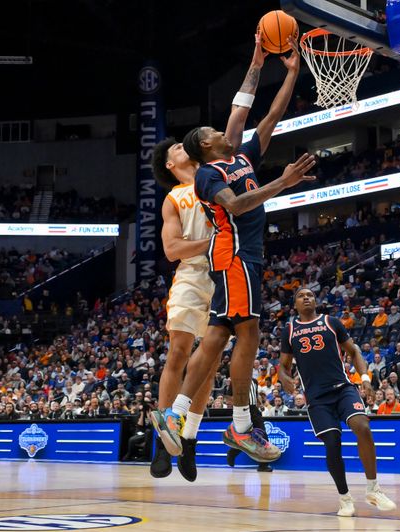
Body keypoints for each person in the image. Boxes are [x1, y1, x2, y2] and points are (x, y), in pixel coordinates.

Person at [155, 38, 316, 464]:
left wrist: (280, 70)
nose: (223, 129)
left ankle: (176, 415)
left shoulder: (241, 157)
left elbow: (262, 114)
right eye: (212, 132)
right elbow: (238, 204)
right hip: (236, 256)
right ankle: (241, 425)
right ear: (205, 145)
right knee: (249, 334)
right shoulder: (208, 175)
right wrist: (283, 182)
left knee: (219, 336)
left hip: (240, 259)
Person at [149, 32, 270, 481]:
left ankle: (191, 438)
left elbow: (241, 113)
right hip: (198, 271)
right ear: (172, 162)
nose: (184, 143)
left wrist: (257, 63)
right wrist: (219, 238)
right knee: (180, 349)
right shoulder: (176, 198)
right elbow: (173, 249)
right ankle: (164, 442)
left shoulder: (219, 169)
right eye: (178, 146)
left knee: (213, 357)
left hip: (228, 266)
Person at [279, 288, 396, 517]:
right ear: (295, 304)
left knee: (362, 426)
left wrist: (364, 379)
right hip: (317, 398)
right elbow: (283, 365)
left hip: (343, 389)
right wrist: (284, 378)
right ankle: (344, 498)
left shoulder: (331, 322)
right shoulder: (289, 330)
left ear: (316, 301)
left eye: (310, 295)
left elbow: (353, 351)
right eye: (301, 295)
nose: (306, 297)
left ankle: (373, 489)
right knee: (332, 443)